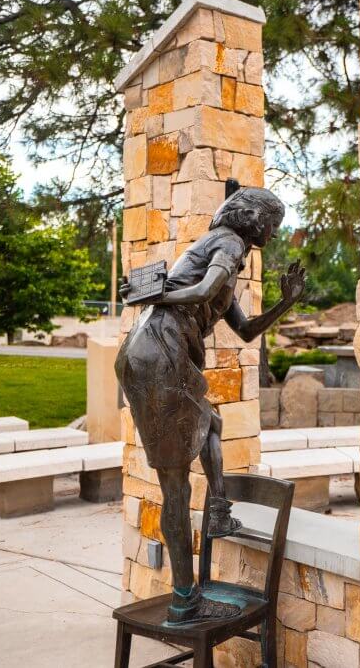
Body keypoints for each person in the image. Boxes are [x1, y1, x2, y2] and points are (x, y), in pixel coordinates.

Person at [115, 185, 305, 624]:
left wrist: (285, 302)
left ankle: (218, 512)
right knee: (176, 489)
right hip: (157, 353)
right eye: (273, 224)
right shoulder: (229, 242)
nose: (274, 234)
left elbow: (246, 330)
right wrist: (155, 296)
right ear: (253, 219)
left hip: (159, 352)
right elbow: (202, 291)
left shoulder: (221, 252)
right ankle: (185, 602)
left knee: (211, 424)